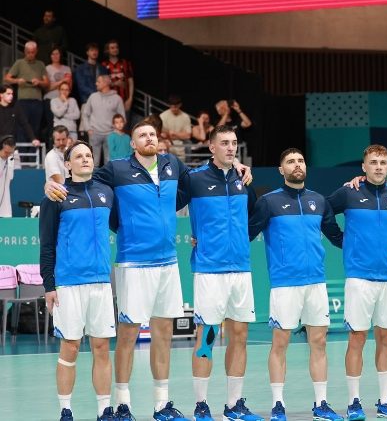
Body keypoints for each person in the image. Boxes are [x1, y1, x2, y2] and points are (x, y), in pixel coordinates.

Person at [45, 118, 253, 421]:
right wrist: (52, 184)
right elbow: (83, 179)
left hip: (168, 263)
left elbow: (195, 186)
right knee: (127, 335)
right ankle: (123, 404)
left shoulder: (173, 164)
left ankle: (161, 404)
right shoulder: (116, 169)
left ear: (160, 139)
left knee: (163, 334)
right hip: (133, 263)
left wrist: (238, 169)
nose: (148, 138)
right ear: (132, 143)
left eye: (152, 134)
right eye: (142, 135)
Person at [249, 148, 346, 421]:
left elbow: (337, 237)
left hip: (316, 283)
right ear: (281, 170)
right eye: (290, 162)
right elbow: (246, 232)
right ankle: (278, 404)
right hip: (285, 284)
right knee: (280, 343)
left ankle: (322, 403)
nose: (297, 165)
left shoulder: (319, 201)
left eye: (300, 161)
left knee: (319, 342)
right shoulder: (268, 202)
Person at [180, 125, 262, 421]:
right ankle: (201, 404)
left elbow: (256, 216)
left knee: (240, 334)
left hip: (241, 268)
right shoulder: (194, 179)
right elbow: (168, 201)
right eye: (224, 143)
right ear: (211, 147)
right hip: (209, 270)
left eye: (234, 143)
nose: (230, 148)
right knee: (207, 335)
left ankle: (234, 405)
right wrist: (200, 236)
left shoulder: (244, 179)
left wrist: (239, 238)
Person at [328, 145, 387, 420]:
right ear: (363, 167)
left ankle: (386, 401)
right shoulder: (348, 192)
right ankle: (354, 402)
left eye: (383, 163)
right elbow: (321, 211)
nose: (378, 167)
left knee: (386, 338)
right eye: (373, 162)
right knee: (357, 338)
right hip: (359, 278)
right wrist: (341, 240)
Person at [39, 141, 116, 421]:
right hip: (69, 284)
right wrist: (49, 285)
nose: (84, 159)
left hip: (101, 283)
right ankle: (65, 410)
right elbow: (46, 245)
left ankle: (104, 410)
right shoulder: (56, 196)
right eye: (78, 156)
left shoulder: (106, 192)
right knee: (70, 347)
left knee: (101, 348)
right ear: (67, 165)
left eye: (88, 155)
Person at [5, 40, 49, 141]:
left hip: (37, 101)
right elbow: (6, 78)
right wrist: (17, 80)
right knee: (21, 127)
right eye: (28, 52)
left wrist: (39, 82)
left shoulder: (40, 64)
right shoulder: (19, 63)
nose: (30, 54)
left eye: (32, 52)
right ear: (25, 51)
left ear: (36, 51)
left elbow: (47, 83)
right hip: (23, 101)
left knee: (36, 128)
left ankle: (34, 156)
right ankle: (22, 155)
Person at [81, 75, 124, 166]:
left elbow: (122, 117)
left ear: (106, 83)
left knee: (109, 161)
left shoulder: (117, 98)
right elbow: (85, 114)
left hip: (110, 134)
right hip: (95, 133)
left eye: (98, 82)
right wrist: (88, 129)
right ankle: (93, 180)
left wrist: (116, 132)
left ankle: (108, 180)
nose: (96, 83)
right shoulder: (93, 96)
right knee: (93, 162)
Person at [0, 83, 39, 147]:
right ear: (1, 95)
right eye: (8, 94)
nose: (11, 96)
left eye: (12, 94)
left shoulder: (16, 107)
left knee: (16, 156)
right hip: (0, 143)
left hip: (11, 143)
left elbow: (25, 123)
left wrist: (33, 138)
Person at [103, 40, 134, 112]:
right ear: (107, 50)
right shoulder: (104, 65)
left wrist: (130, 99)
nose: (115, 49)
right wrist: (114, 83)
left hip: (124, 101)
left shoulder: (125, 63)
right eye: (112, 48)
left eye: (116, 47)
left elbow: (131, 82)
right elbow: (102, 83)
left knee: (124, 123)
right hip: (109, 101)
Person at [0, 135, 20, 217]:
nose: (8, 155)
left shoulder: (11, 159)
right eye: (6, 152)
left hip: (5, 206)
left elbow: (10, 178)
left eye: (11, 152)